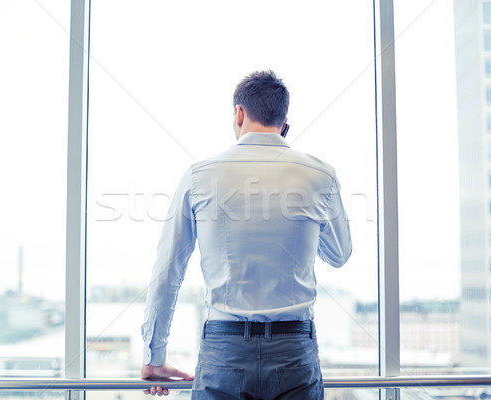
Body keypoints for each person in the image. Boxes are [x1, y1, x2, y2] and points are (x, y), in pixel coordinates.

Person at [140, 70, 352, 399]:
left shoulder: (199, 175)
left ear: (239, 113)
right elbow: (339, 254)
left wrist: (154, 357)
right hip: (293, 350)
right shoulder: (320, 174)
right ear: (284, 121)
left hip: (225, 349)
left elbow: (168, 269)